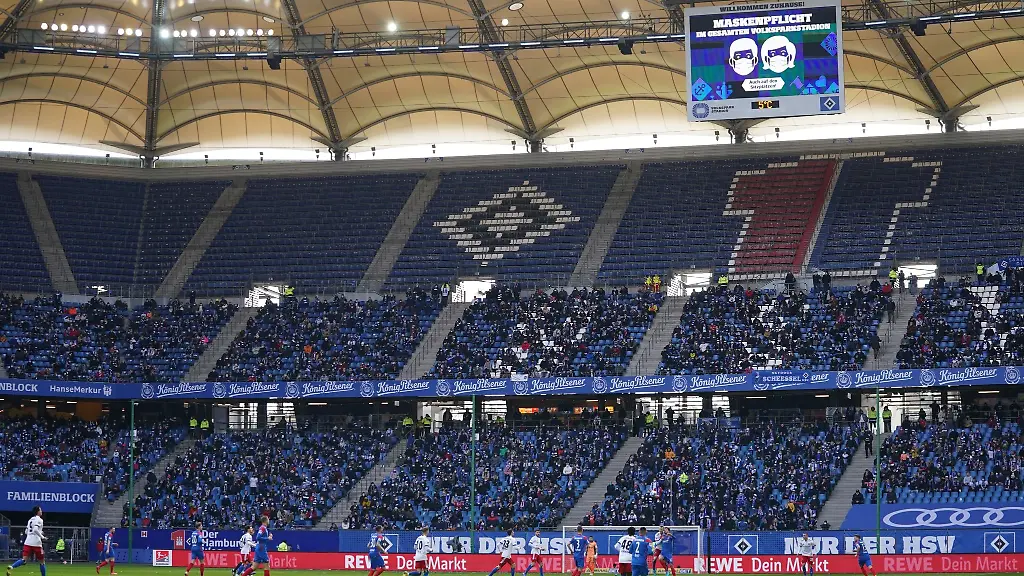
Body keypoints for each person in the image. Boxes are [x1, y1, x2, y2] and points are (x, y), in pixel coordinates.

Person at [7, 506, 46, 576]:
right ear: (37, 512)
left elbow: (26, 531)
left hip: (28, 542)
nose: (41, 511)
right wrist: (42, 537)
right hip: (36, 543)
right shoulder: (40, 520)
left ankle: (11, 567)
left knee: (24, 560)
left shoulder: (30, 520)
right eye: (40, 510)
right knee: (42, 562)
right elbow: (35, 530)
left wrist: (40, 532)